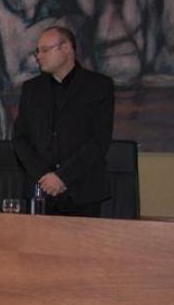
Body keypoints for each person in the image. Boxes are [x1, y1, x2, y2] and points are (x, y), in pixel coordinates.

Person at [13, 26, 115, 217]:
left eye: (45, 50)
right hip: (40, 190)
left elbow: (99, 140)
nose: (38, 56)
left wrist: (62, 177)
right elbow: (20, 139)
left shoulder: (99, 86)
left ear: (67, 48)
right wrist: (44, 176)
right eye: (38, 51)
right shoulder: (31, 89)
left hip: (83, 190)